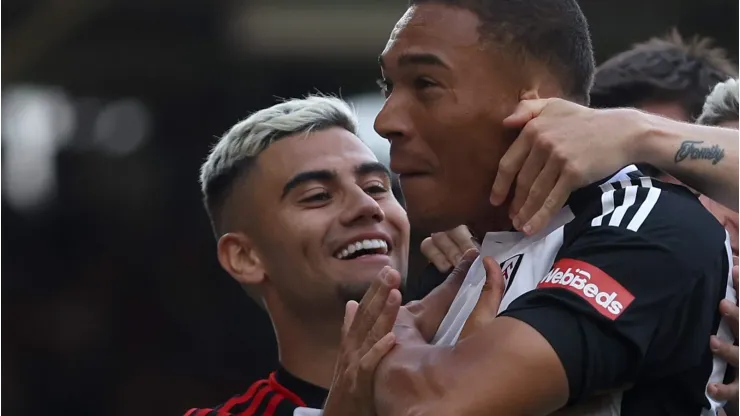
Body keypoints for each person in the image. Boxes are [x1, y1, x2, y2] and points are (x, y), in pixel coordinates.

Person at [361, 0, 736, 414]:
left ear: (532, 102)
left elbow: (432, 404)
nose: (386, 120)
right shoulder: (464, 262)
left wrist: (396, 326)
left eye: (426, 83)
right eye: (388, 86)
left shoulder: (645, 222)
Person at [183, 96, 499, 416]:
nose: (367, 206)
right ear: (245, 257)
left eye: (377, 187)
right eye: (318, 196)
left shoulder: (512, 344)